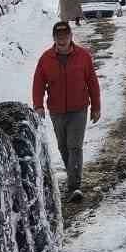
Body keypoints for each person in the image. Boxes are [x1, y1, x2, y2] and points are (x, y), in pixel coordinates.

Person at [31, 20, 101, 201]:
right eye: (58, 37)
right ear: (54, 38)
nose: (62, 40)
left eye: (65, 36)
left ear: (71, 36)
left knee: (74, 146)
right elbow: (38, 83)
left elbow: (92, 82)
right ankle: (73, 176)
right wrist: (38, 105)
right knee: (63, 147)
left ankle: (74, 186)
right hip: (57, 111)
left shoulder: (83, 56)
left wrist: (96, 107)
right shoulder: (46, 59)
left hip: (79, 109)